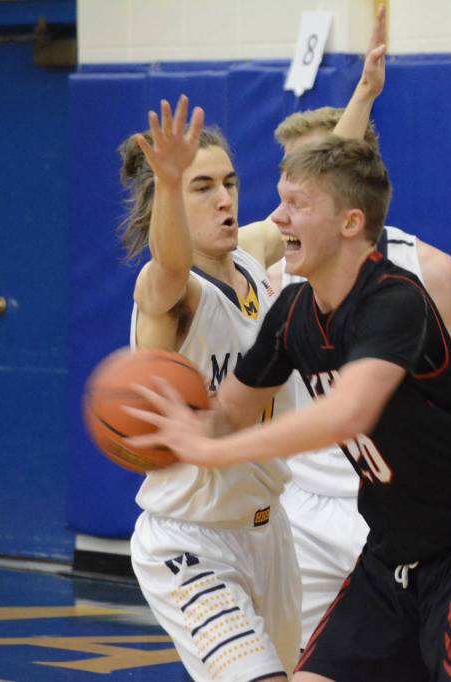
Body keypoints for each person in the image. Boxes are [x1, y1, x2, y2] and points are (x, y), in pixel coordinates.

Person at [127, 136, 451, 681]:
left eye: (293, 205)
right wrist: (173, 429)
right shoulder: (293, 312)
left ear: (349, 224)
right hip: (385, 550)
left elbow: (346, 415)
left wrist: (212, 441)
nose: (274, 218)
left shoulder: (396, 300)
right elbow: (227, 408)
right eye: (205, 186)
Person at [270, 105, 451, 648]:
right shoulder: (278, 278)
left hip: (402, 513)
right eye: (285, 180)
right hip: (303, 510)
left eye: (306, 180)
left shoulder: (428, 270)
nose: (284, 208)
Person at [117, 95, 299, 681]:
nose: (224, 198)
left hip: (270, 531)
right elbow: (168, 265)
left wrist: (363, 99)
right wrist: (169, 183)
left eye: (229, 182)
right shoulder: (168, 289)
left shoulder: (248, 258)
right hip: (189, 541)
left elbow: (305, 207)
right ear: (167, 201)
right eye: (202, 187)